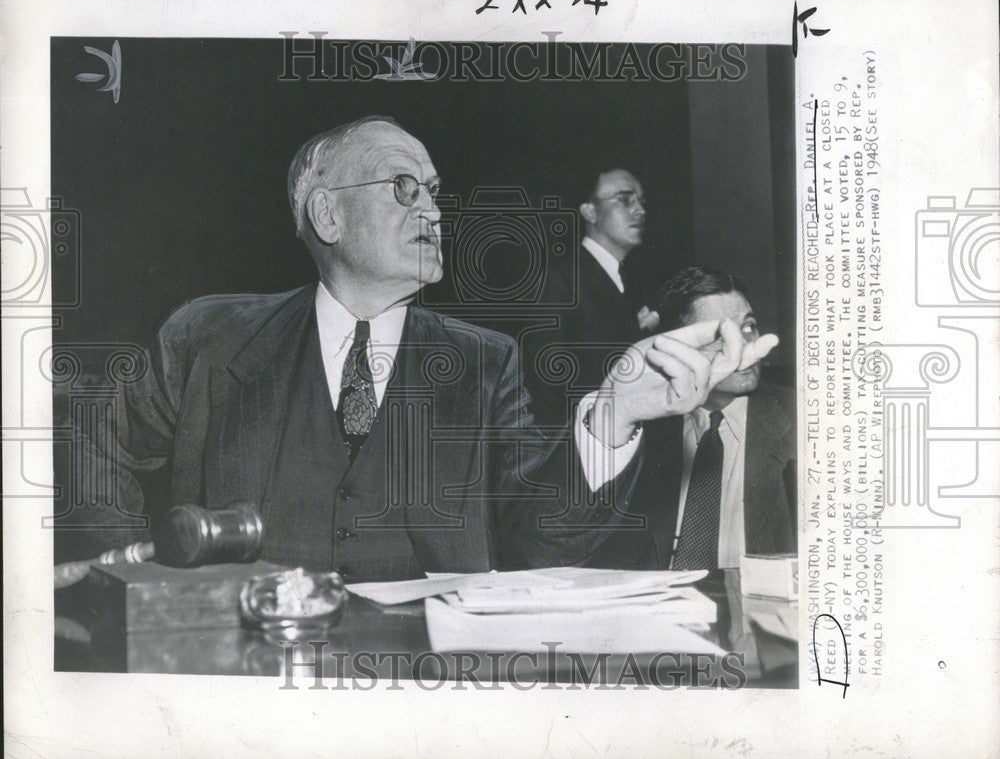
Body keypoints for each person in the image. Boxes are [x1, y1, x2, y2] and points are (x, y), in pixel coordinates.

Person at [85, 117, 775, 581]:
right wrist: (122, 578)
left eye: (436, 193)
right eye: (403, 189)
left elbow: (535, 533)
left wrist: (613, 417)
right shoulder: (210, 337)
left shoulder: (483, 361)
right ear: (327, 214)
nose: (436, 211)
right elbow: (97, 441)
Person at [579, 266, 796, 570]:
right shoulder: (639, 436)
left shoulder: (807, 422)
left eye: (749, 326)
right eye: (720, 335)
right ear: (678, 348)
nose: (744, 345)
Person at [524, 168, 658, 427]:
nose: (640, 210)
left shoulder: (630, 282)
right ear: (589, 212)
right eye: (625, 199)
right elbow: (546, 388)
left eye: (642, 202)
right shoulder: (559, 282)